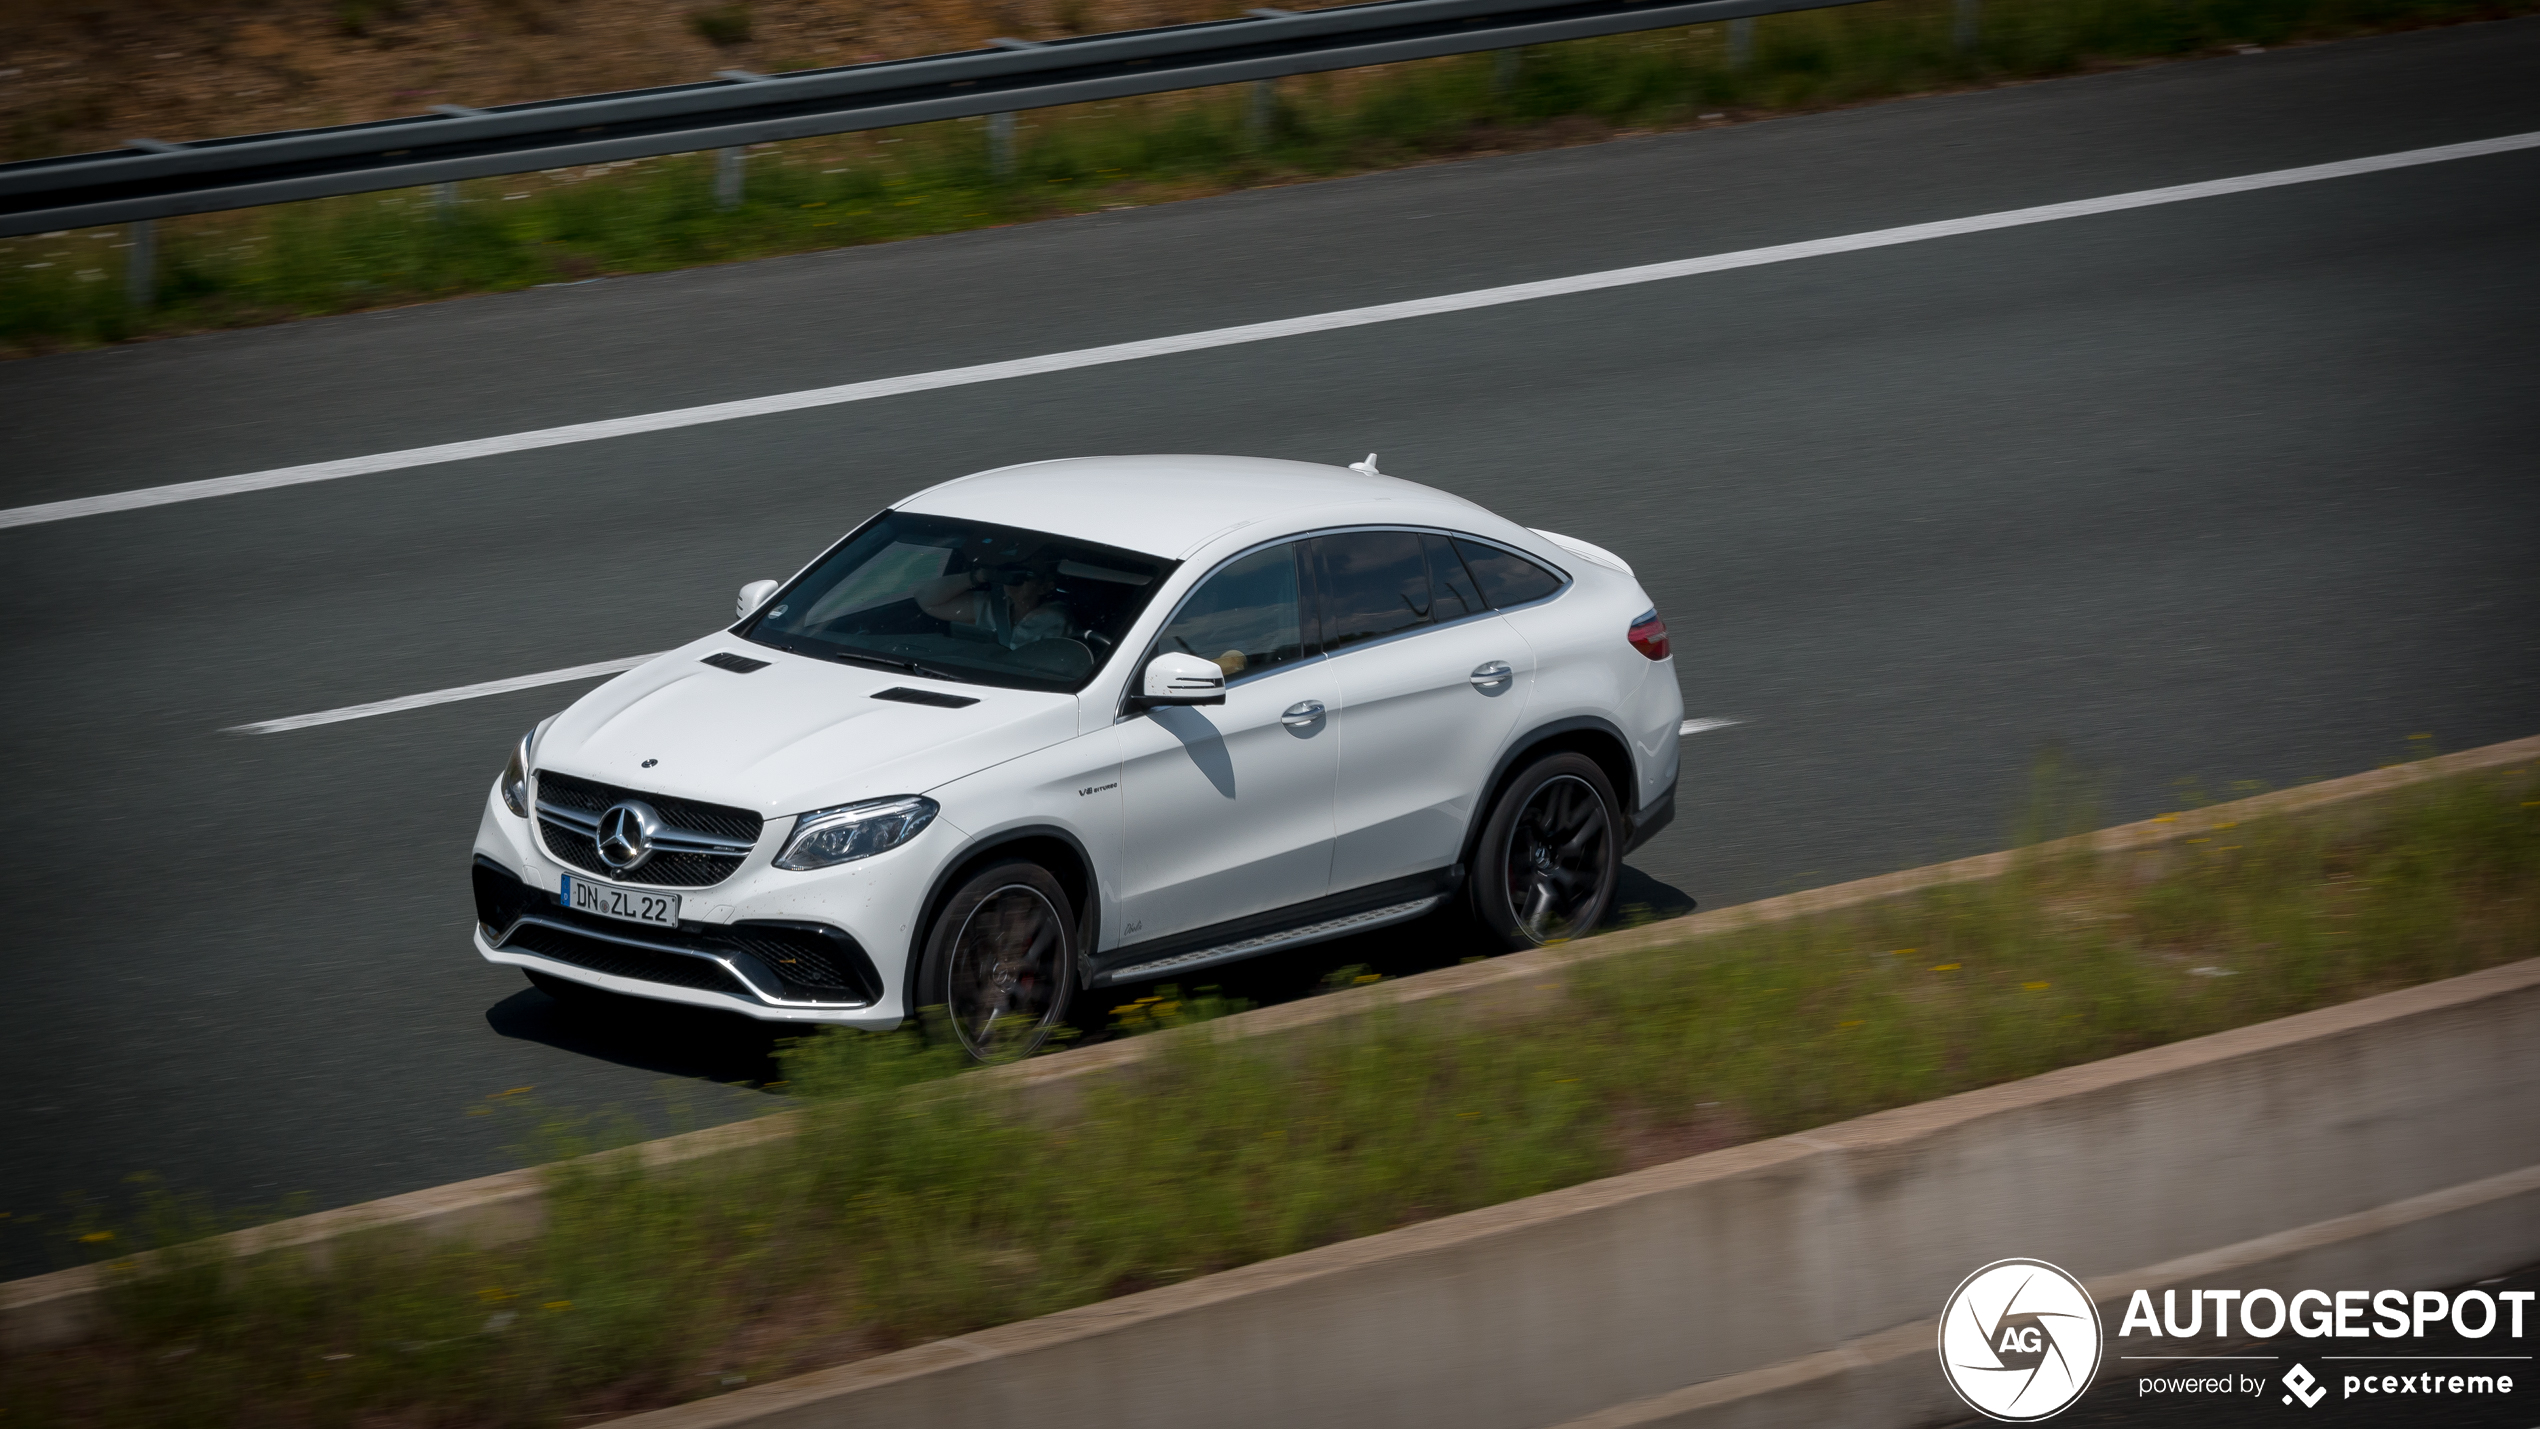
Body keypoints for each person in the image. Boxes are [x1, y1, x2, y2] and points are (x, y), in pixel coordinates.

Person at [916, 555, 1072, 650]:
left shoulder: (1055, 620)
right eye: (1010, 572)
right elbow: (925, 598)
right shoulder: (994, 606)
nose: (1012, 580)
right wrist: (980, 575)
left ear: (1044, 587)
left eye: (1024, 575)